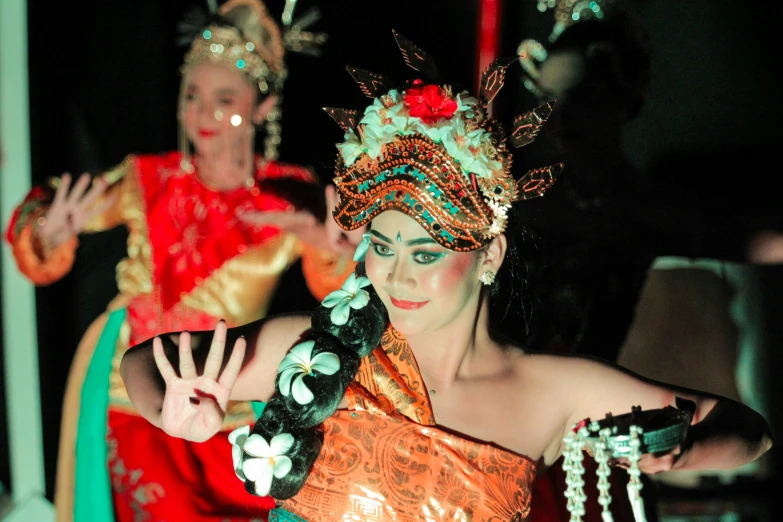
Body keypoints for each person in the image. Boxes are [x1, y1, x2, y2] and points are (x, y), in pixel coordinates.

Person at [120, 32, 773, 522]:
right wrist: (176, 414)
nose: (396, 272)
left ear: (488, 255)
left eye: (426, 253)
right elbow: (149, 363)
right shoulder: (321, 352)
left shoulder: (551, 387)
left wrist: (678, 453)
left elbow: (747, 429)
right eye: (381, 244)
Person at [3, 1, 357, 520]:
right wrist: (47, 227)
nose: (203, 113)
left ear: (263, 107)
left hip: (232, 404)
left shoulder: (289, 195)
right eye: (192, 96)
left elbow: (339, 296)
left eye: (224, 98)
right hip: (133, 394)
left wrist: (335, 252)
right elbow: (43, 213)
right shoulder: (146, 178)